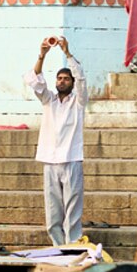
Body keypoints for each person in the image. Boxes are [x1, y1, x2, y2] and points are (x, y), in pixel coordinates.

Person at [23, 36, 88, 246]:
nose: (62, 81)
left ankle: (73, 244)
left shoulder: (78, 101)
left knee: (72, 207)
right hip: (50, 161)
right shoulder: (48, 100)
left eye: (66, 79)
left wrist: (68, 54)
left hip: (71, 159)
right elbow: (34, 80)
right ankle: (58, 247)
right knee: (53, 209)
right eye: (59, 78)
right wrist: (42, 54)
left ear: (72, 83)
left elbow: (82, 78)